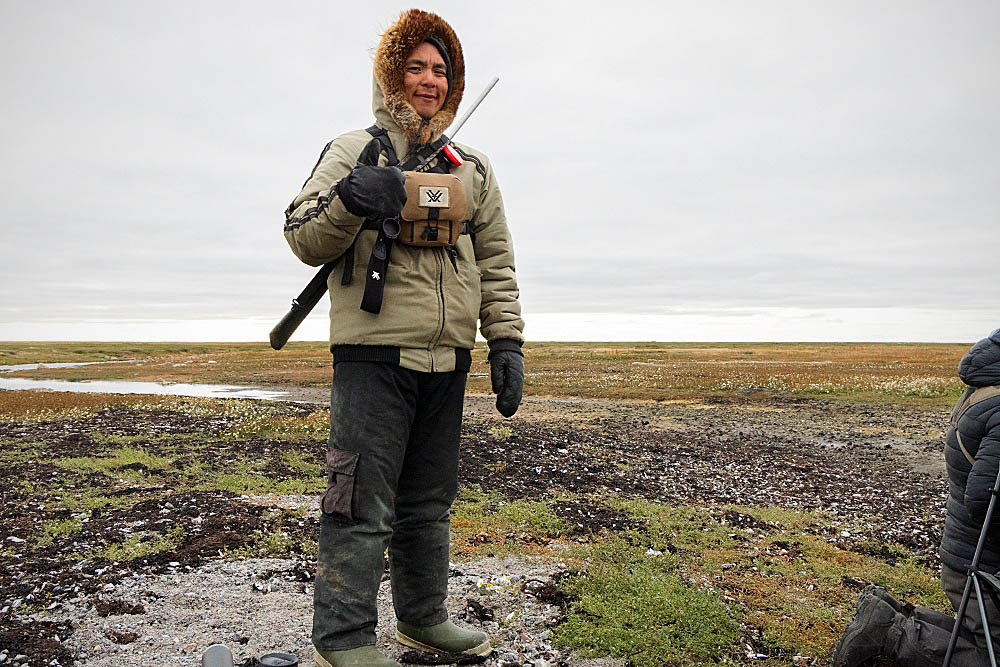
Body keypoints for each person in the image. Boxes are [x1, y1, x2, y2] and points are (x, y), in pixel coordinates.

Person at [282, 9, 525, 667]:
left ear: (454, 83)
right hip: (372, 355)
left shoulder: (471, 166)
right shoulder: (351, 150)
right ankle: (344, 638)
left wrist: (506, 343)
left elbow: (496, 259)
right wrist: (354, 198)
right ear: (393, 74)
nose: (429, 80)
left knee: (428, 501)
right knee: (356, 495)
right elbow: (302, 234)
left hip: (448, 358)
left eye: (441, 69)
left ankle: (423, 619)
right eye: (416, 66)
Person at [831, 329, 1000, 667]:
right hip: (983, 564)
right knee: (990, 652)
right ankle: (889, 632)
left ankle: (886, 615)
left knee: (983, 637)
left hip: (969, 555)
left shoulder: (984, 392)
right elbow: (984, 500)